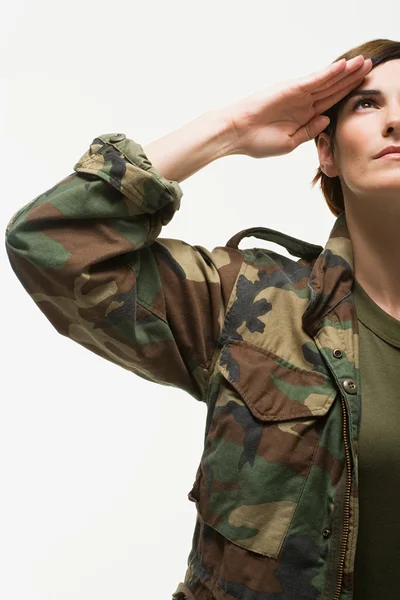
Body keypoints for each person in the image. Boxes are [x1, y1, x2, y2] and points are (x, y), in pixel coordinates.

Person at [5, 37, 400, 600]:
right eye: (367, 103)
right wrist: (229, 130)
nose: (395, 121)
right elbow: (50, 242)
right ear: (327, 152)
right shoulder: (249, 299)